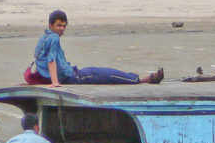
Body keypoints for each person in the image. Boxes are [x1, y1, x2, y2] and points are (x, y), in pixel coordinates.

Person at [26, 10, 164, 87]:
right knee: (107, 74)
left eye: (64, 26)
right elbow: (50, 60)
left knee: (102, 73)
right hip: (73, 78)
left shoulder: (44, 37)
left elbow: (40, 59)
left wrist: (36, 79)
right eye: (58, 26)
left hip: (71, 74)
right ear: (51, 25)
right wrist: (55, 82)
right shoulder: (54, 38)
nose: (62, 29)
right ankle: (142, 80)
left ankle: (142, 79)